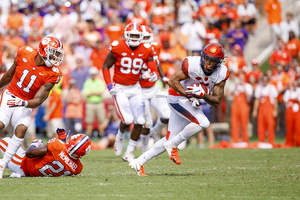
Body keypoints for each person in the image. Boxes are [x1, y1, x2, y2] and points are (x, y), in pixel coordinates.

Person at [129, 43, 229, 176]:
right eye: (206, 59)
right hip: (177, 97)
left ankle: (139, 162)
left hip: (189, 100)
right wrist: (190, 95)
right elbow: (172, 81)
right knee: (203, 123)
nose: (208, 63)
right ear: (202, 57)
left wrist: (203, 95)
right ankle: (173, 145)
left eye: (212, 61)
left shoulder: (222, 73)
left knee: (169, 138)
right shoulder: (191, 64)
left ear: (219, 63)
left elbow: (216, 102)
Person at [0, 36, 64, 179]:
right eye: (53, 53)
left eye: (58, 54)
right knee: (1, 124)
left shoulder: (54, 73)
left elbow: (38, 100)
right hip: (10, 95)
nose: (56, 58)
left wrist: (23, 103)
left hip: (25, 102)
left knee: (21, 129)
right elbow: (9, 75)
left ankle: (2, 164)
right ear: (42, 50)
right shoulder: (24, 52)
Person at [102, 22, 157, 162]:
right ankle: (120, 137)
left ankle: (129, 152)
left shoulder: (146, 48)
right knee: (127, 120)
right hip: (120, 87)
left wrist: (154, 74)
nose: (133, 37)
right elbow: (105, 66)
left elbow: (153, 67)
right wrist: (109, 85)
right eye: (131, 35)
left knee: (140, 120)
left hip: (135, 87)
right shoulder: (118, 46)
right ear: (126, 35)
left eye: (136, 35)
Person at [0, 128, 91, 178]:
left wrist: (35, 144)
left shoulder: (56, 145)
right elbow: (60, 157)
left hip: (21, 163)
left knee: (5, 140)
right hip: (30, 172)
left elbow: (29, 153)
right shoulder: (78, 168)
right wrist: (62, 141)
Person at [139, 26, 171, 153]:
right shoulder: (134, 51)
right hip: (139, 89)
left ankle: (156, 131)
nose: (146, 41)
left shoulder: (155, 47)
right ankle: (144, 150)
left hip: (153, 86)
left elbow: (156, 62)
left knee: (167, 115)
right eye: (144, 38)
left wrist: (163, 76)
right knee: (146, 122)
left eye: (148, 38)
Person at [252, 74, 278, 145]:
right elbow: (257, 100)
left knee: (270, 126)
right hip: (261, 110)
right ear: (262, 80)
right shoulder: (259, 88)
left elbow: (275, 100)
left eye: (266, 80)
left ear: (268, 80)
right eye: (263, 80)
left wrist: (275, 110)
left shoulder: (272, 88)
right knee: (261, 126)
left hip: (270, 110)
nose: (265, 82)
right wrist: (255, 110)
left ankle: (271, 142)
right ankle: (261, 142)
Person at [228, 73, 253, 144]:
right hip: (235, 107)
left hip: (243, 107)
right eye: (240, 78)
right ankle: (235, 140)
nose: (241, 80)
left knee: (244, 124)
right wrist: (234, 87)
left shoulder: (248, 86)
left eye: (242, 79)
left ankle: (245, 140)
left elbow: (250, 97)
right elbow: (228, 94)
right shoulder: (235, 85)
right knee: (234, 124)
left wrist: (244, 87)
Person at [82, 67, 106, 137]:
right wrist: (96, 92)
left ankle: (102, 135)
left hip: (99, 103)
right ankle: (88, 136)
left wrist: (92, 92)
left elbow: (101, 92)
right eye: (92, 74)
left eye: (94, 74)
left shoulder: (100, 81)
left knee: (101, 120)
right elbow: (87, 93)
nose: (93, 75)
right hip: (90, 103)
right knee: (89, 121)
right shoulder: (87, 82)